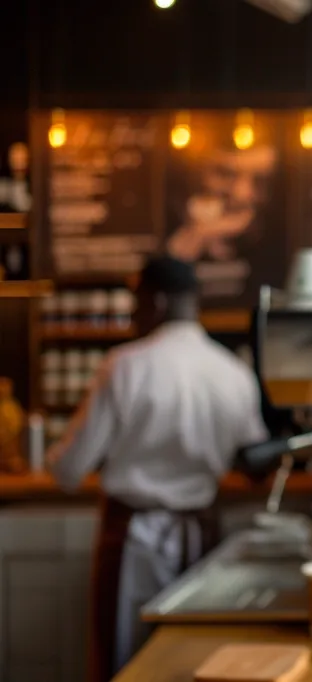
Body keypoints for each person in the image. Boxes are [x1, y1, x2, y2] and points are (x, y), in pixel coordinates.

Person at [47, 255, 269, 682]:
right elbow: (255, 457)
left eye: (137, 302)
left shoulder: (126, 365)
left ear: (158, 301)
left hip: (134, 539)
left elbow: (69, 470)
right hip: (200, 540)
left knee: (126, 661)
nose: (133, 313)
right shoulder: (233, 372)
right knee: (195, 662)